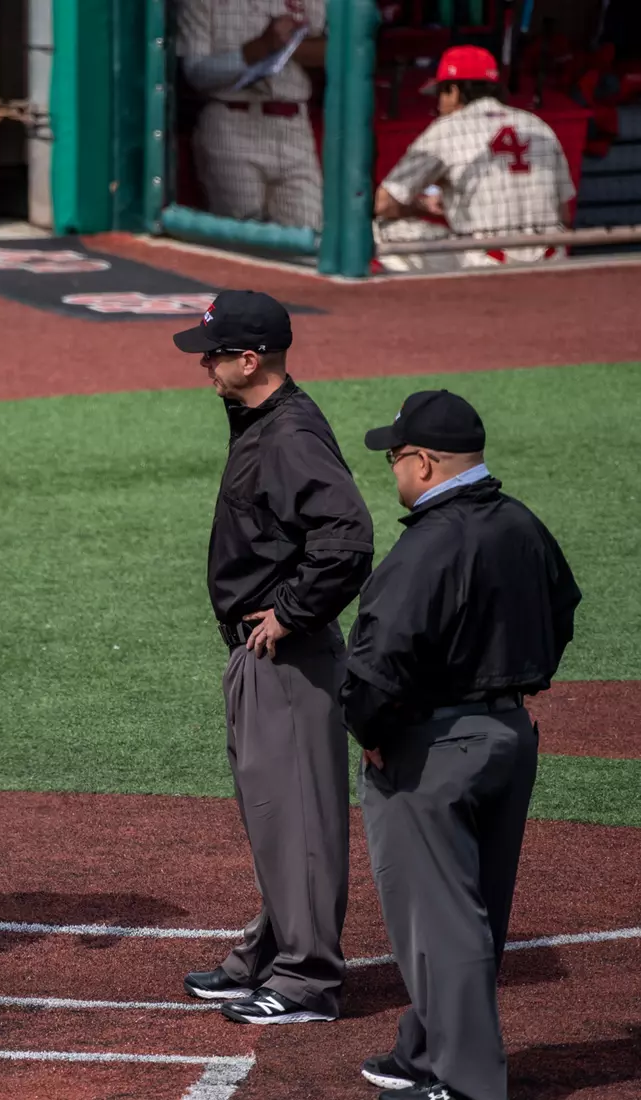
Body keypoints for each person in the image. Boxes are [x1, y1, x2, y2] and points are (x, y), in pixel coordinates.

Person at [343, 391, 580, 1100]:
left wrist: (372, 732)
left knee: (440, 920)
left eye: (394, 458)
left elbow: (380, 654)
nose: (392, 471)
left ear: (423, 462)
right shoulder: (521, 523)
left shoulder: (430, 543)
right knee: (475, 910)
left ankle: (467, 1082)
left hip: (433, 750)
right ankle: (425, 1050)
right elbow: (563, 607)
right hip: (509, 736)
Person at [170, 290, 373, 1025]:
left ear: (251, 360)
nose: (205, 366)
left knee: (299, 823)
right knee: (275, 819)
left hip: (290, 659)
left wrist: (291, 610)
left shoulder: (289, 433)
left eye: (215, 355)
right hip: (266, 659)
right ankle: (271, 951)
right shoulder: (261, 421)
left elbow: (347, 538)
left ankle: (309, 980)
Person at [374, 46, 577, 273]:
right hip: (551, 262)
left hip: (488, 266)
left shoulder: (447, 129)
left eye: (441, 93)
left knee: (378, 229)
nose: (439, 104)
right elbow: (565, 215)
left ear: (454, 91)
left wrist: (421, 206)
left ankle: (448, 294)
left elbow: (384, 203)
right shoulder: (536, 125)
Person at [177, 0, 328, 230]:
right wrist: (256, 50)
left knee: (307, 232)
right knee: (242, 236)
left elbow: (333, 50)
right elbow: (195, 72)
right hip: (231, 121)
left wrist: (290, 44)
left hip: (294, 124)